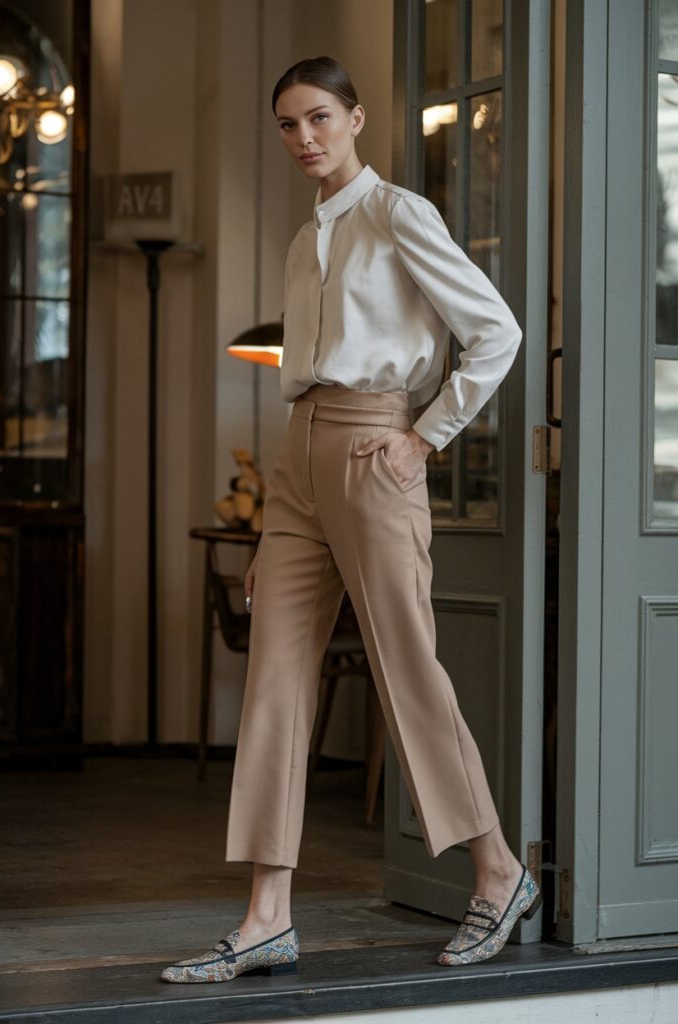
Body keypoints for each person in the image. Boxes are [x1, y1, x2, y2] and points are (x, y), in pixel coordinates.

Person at [161, 55, 540, 986]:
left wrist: (427, 437)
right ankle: (265, 917)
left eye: (319, 118)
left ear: (356, 118)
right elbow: (308, 377)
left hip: (377, 447)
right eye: (288, 124)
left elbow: (495, 330)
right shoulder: (305, 240)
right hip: (301, 455)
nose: (304, 138)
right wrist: (274, 513)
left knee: (406, 666)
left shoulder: (396, 213)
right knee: (276, 678)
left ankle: (498, 871)